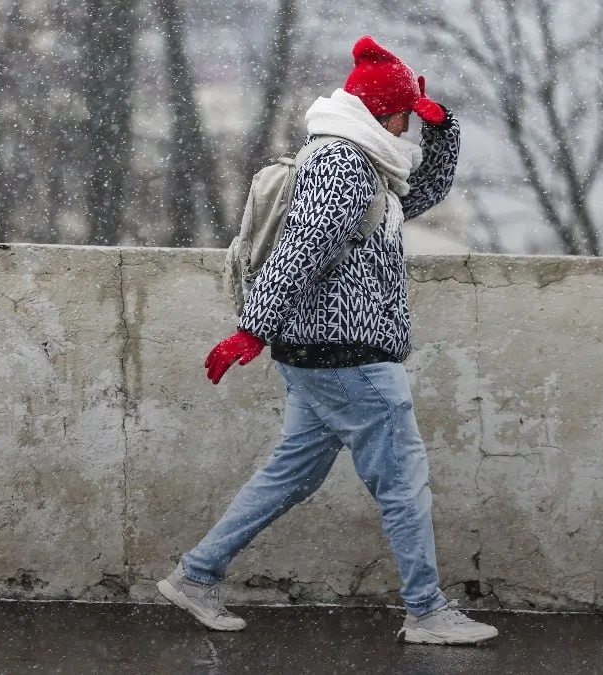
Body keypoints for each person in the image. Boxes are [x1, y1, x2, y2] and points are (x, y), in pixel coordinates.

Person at [156, 35, 498, 646]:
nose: (406, 130)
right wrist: (251, 328)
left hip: (322, 355)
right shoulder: (340, 165)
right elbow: (304, 249)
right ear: (383, 115)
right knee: (402, 481)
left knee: (291, 474)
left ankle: (197, 574)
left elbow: (424, 194)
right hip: (348, 355)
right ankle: (426, 611)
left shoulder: (366, 163)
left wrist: (442, 131)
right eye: (405, 118)